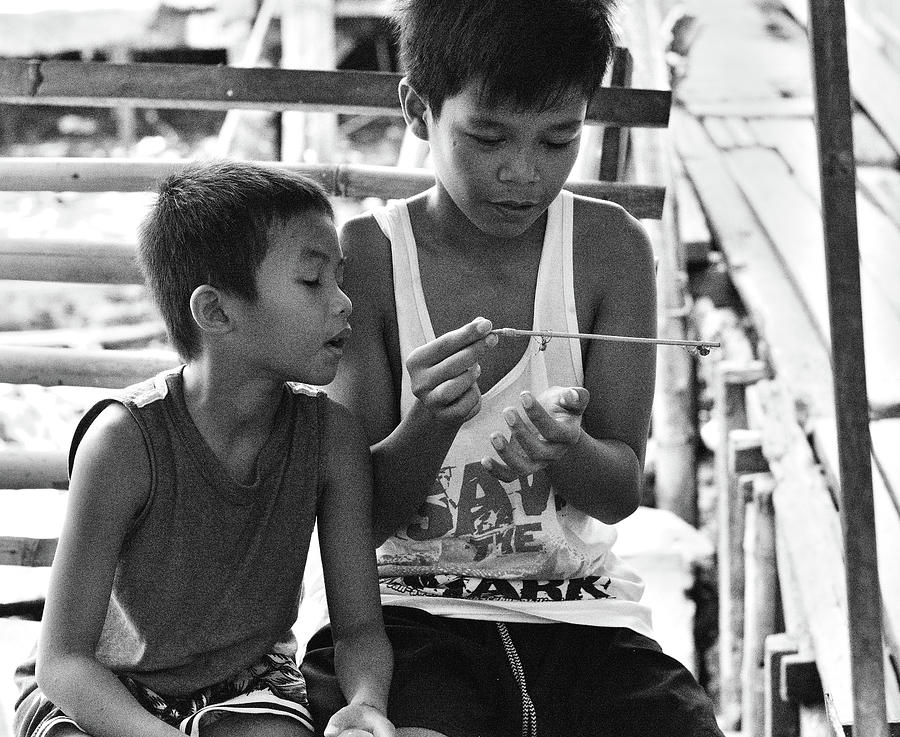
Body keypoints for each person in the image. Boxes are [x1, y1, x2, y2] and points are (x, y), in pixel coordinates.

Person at [301, 2, 725, 736]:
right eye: (488, 137)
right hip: (405, 618)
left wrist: (571, 453)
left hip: (584, 616)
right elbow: (357, 521)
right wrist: (428, 424)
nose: (523, 173)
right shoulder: (370, 258)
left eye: (559, 138)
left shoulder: (610, 252)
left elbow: (621, 490)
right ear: (418, 110)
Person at [13, 161, 394, 737]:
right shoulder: (124, 443)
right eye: (314, 282)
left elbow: (359, 631)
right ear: (216, 311)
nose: (344, 303)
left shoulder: (330, 439)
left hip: (245, 683)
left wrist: (365, 703)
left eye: (340, 280)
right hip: (102, 685)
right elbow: (63, 661)